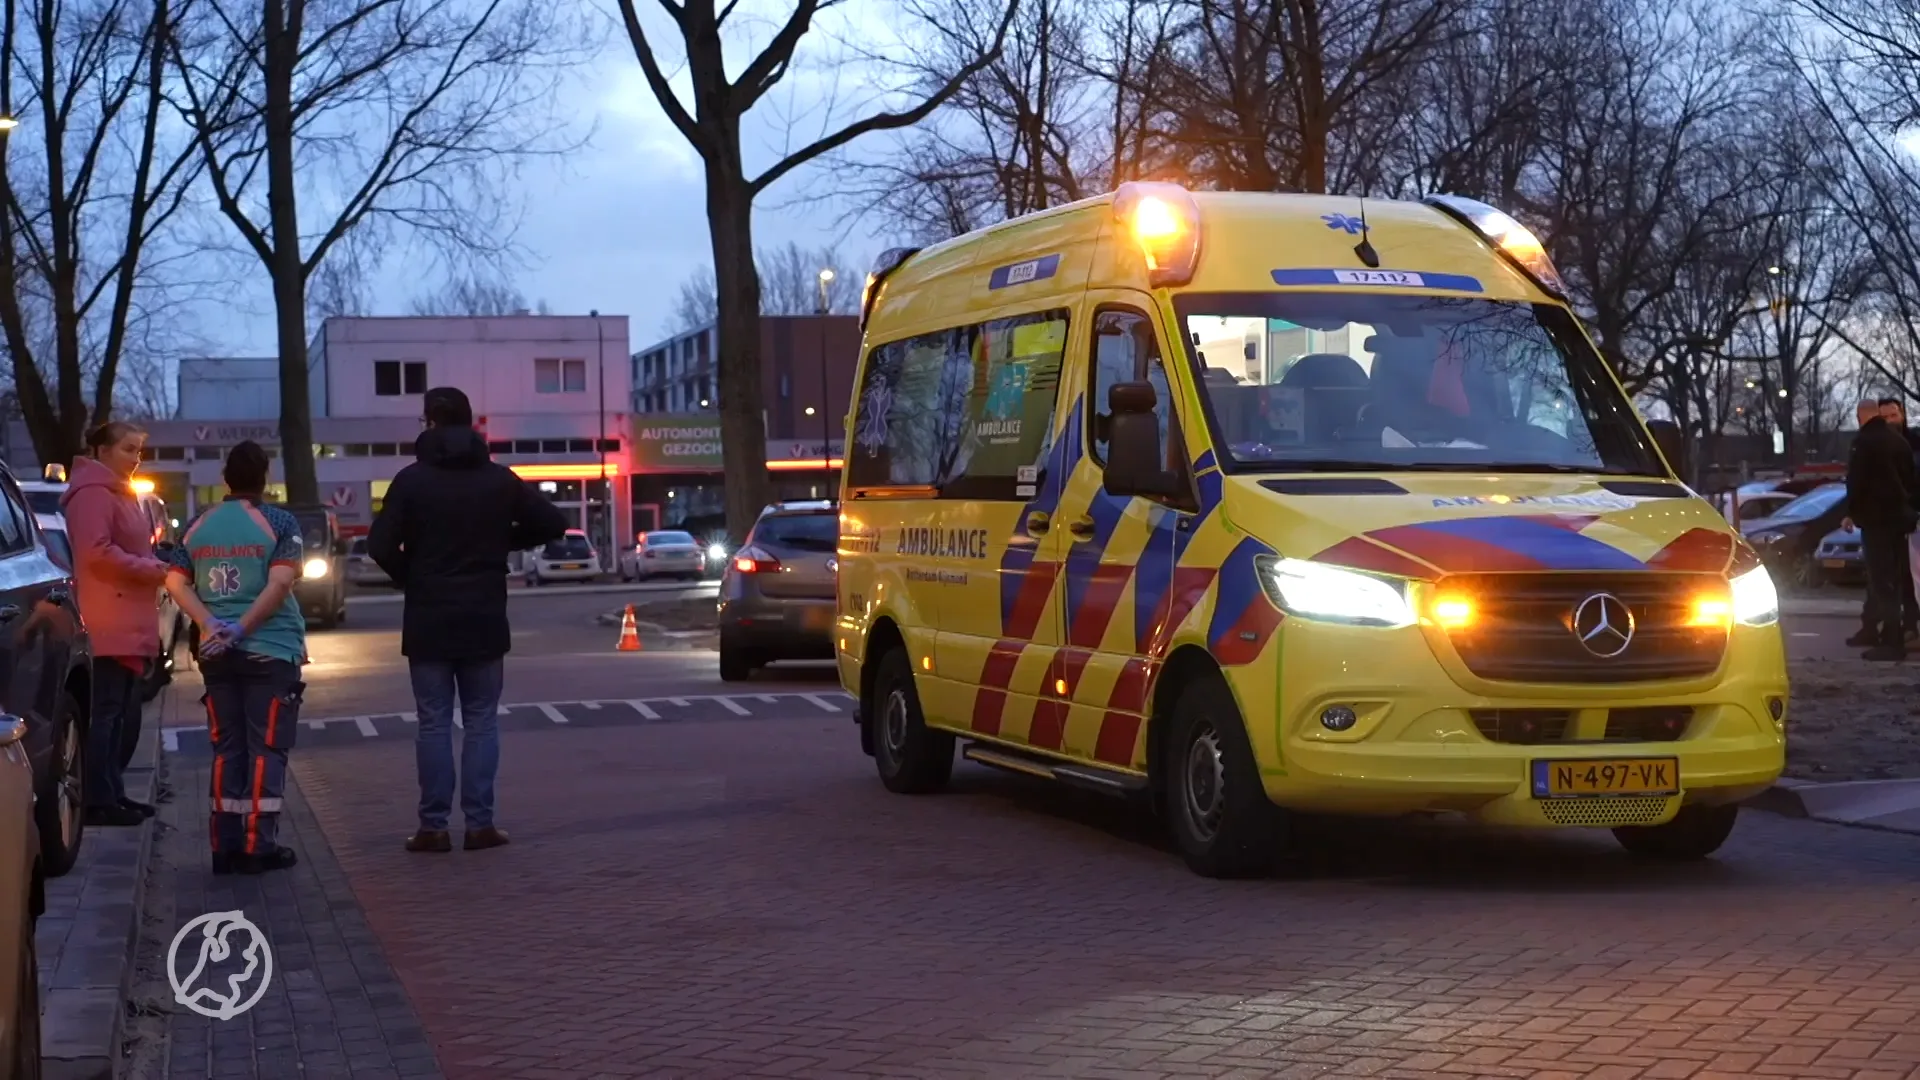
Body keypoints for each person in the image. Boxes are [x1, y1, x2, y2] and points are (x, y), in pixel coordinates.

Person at [368, 387, 568, 853]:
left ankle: (432, 827)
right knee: (481, 721)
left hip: (428, 618)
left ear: (430, 424)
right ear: (470, 423)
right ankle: (480, 825)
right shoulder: (498, 480)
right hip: (483, 615)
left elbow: (379, 546)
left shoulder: (411, 482)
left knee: (433, 722)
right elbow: (553, 522)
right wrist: (503, 541)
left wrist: (411, 576)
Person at [163, 442, 308, 874]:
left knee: (227, 747)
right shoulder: (280, 522)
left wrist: (210, 625)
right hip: (271, 649)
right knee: (266, 748)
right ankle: (259, 846)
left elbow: (175, 583)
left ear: (225, 478)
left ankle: (224, 847)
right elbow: (280, 584)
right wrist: (242, 629)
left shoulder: (198, 525)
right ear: (266, 477)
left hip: (215, 655)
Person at [61, 421, 170, 827]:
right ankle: (98, 800)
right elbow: (95, 553)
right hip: (109, 619)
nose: (135, 458)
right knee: (106, 713)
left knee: (119, 712)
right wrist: (151, 569)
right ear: (102, 451)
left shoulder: (119, 493)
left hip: (125, 617)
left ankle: (113, 793)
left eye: (139, 451)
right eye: (128, 449)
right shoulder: (92, 494)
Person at [1842, 397, 1918, 661]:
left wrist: (1851, 511)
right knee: (1895, 578)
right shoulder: (1900, 442)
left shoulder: (1863, 443)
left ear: (1860, 415)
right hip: (1900, 519)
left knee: (1881, 580)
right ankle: (1889, 634)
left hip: (1876, 521)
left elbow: (1857, 481)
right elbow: (1910, 480)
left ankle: (1891, 640)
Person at [1880, 396, 1920, 641]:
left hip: (1913, 517)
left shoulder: (1914, 444)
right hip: (1893, 520)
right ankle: (1907, 626)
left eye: (1893, 415)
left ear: (1902, 415)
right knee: (1902, 577)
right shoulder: (1880, 446)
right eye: (1884, 417)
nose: (1890, 421)